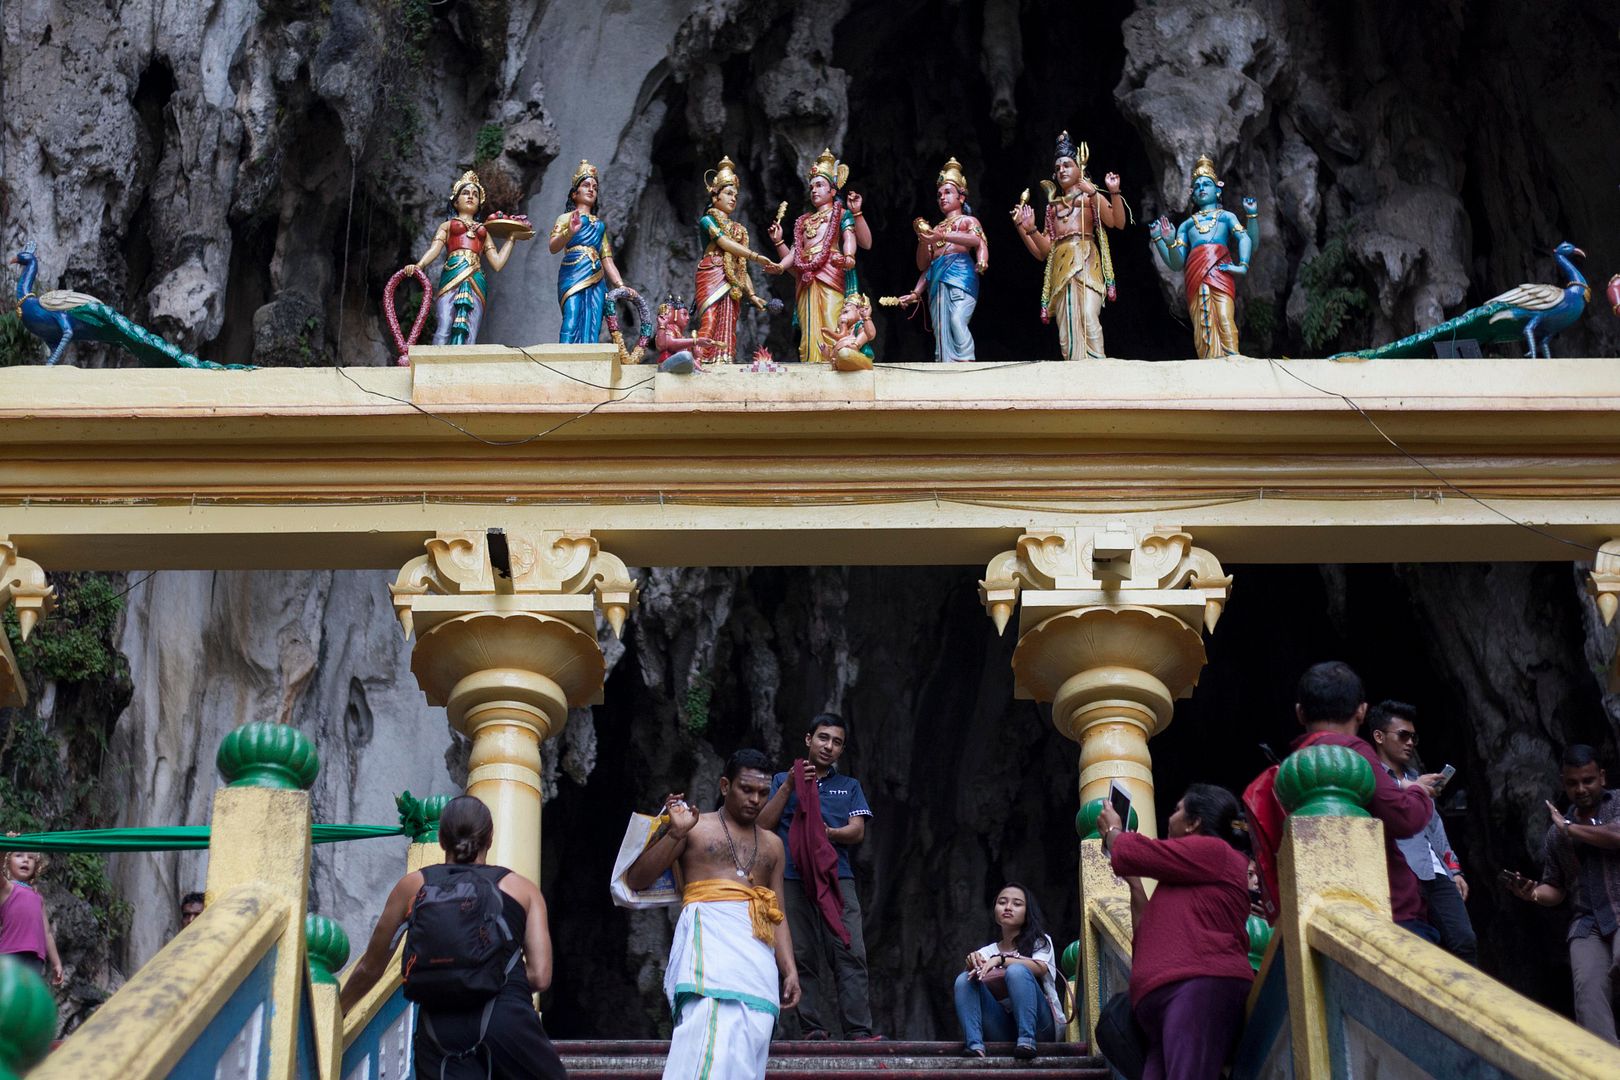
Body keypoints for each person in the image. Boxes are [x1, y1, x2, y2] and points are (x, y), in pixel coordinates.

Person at [339, 796, 565, 1079]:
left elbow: (370, 968)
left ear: (442, 840)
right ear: (490, 839)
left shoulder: (412, 886)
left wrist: (336, 1012)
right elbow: (541, 976)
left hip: (439, 1028)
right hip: (506, 1019)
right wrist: (488, 973)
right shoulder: (522, 888)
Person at [625, 749, 800, 1080]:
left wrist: (789, 970)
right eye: (746, 789)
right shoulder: (694, 827)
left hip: (758, 962)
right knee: (705, 1040)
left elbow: (777, 912)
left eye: (763, 792)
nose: (755, 799)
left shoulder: (774, 845)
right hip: (711, 950)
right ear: (724, 786)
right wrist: (675, 832)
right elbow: (637, 880)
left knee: (752, 1042)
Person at [1250, 662, 1439, 938]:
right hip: (1385, 913)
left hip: (1320, 913)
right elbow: (1404, 816)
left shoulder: (1294, 765)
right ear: (1362, 711)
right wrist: (1418, 791)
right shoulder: (1351, 753)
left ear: (1300, 713)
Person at [1098, 784, 1252, 1080]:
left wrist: (1114, 832)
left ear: (1194, 823)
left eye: (1178, 809)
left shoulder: (1216, 852)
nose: (1172, 817)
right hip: (1166, 999)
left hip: (1197, 983)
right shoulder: (1184, 877)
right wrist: (1134, 885)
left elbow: (1140, 851)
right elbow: (1145, 936)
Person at [757, 714, 877, 1041]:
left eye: (837, 742)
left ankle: (858, 1030)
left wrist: (828, 833)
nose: (829, 746)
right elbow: (763, 824)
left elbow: (857, 831)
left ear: (842, 750)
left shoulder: (849, 786)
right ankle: (812, 1028)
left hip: (838, 877)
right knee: (801, 952)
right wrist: (789, 786)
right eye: (823, 738)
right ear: (808, 739)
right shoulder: (782, 778)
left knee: (849, 950)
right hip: (792, 879)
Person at [1502, 744, 1620, 1045]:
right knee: (1587, 993)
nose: (1580, 789)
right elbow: (1555, 887)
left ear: (1602, 777)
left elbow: (1615, 837)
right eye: (1572, 782)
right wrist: (1532, 894)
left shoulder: (1617, 803)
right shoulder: (1556, 835)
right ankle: (1606, 1067)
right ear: (1563, 782)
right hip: (1588, 923)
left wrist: (1570, 829)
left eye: (1588, 780)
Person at [1367, 701, 1478, 964]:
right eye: (1403, 735)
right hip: (1400, 870)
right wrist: (1411, 788)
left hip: (1434, 870)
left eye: (1413, 737)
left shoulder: (1416, 776)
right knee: (1415, 946)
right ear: (1379, 737)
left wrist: (1455, 869)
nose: (1410, 743)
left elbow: (1434, 824)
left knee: (1464, 940)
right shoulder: (1372, 776)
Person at [1011, 131, 1126, 360]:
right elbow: (1043, 252)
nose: (1061, 170)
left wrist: (1111, 192)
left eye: (1067, 165)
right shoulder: (1053, 208)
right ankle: (1074, 368)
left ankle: (1097, 365)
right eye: (1058, 167)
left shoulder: (1088, 197)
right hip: (1061, 268)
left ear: (1079, 168)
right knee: (1066, 328)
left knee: (1088, 316)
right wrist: (1027, 228)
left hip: (1086, 261)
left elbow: (1117, 222)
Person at [766, 149, 872, 364]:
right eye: (812, 186)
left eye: (820, 185)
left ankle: (833, 360)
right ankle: (811, 363)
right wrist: (779, 255)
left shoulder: (841, 214)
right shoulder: (804, 221)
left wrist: (849, 256)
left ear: (833, 190)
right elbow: (796, 255)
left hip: (831, 271)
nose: (814, 190)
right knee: (808, 329)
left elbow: (854, 238)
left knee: (832, 319)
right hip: (807, 278)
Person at [1147, 156, 1259, 358]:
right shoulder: (1187, 225)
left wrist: (1243, 263)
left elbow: (1248, 240)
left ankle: (1232, 358)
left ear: (1218, 190)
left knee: (1225, 317)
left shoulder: (1226, 217)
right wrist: (1165, 241)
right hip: (1195, 277)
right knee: (1202, 324)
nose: (1201, 188)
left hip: (1220, 272)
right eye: (1197, 185)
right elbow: (1176, 263)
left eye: (1207, 184)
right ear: (1191, 194)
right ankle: (1208, 362)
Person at [406, 171, 523, 346]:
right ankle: (436, 364)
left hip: (476, 277)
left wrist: (511, 239)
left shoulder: (483, 231)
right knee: (445, 321)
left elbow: (497, 263)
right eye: (466, 193)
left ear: (479, 205)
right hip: (453, 272)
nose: (470, 197)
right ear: (455, 200)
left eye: (475, 195)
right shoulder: (447, 226)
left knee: (471, 328)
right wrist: (419, 265)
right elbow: (435, 249)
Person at [952, 882, 1064, 1060]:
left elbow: (1041, 968)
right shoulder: (986, 952)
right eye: (1002, 902)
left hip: (1040, 1027)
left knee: (1017, 971)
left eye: (1017, 904)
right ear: (995, 910)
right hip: (1003, 1030)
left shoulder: (1041, 942)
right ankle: (974, 1045)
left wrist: (1002, 960)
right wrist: (971, 964)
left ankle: (1027, 1040)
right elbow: (972, 981)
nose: (1008, 907)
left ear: (1027, 912)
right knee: (964, 979)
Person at [897, 157, 987, 363]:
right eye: (939, 195)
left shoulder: (967, 221)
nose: (942, 198)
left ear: (961, 197)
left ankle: (966, 361)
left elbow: (976, 240)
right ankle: (945, 363)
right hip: (937, 282)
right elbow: (925, 266)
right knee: (940, 326)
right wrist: (915, 293)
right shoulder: (936, 229)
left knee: (957, 320)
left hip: (961, 277)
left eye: (948, 192)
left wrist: (943, 237)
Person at [693, 156, 776, 364]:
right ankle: (700, 359)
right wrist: (756, 256)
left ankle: (722, 359)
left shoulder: (739, 230)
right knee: (710, 318)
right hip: (711, 272)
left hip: (731, 279)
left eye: (735, 196)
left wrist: (753, 294)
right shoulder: (707, 220)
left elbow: (740, 268)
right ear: (714, 196)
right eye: (728, 193)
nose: (733, 199)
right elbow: (722, 242)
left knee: (728, 320)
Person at [549, 159, 627, 344]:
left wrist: (620, 285)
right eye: (586, 185)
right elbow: (553, 246)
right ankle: (564, 356)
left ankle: (588, 357)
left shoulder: (599, 225)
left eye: (595, 187)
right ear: (575, 193)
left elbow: (607, 259)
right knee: (572, 314)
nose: (591, 190)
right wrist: (570, 231)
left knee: (594, 320)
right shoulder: (566, 218)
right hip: (573, 270)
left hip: (596, 274)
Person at [0, 850, 64, 986]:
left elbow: (47, 933)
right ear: (7, 862)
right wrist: (4, 847)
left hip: (35, 958)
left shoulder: (37, 896)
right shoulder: (7, 888)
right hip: (9, 953)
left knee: (27, 999)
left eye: (31, 857)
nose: (25, 860)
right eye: (19, 855)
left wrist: (56, 963)